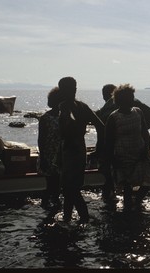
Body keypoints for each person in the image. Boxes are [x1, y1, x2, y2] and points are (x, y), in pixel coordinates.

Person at [96, 83, 150, 205]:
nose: (132, 100)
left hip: (140, 153)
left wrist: (146, 150)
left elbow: (145, 134)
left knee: (148, 182)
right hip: (122, 156)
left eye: (132, 97)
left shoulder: (138, 112)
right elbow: (108, 142)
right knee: (127, 188)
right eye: (129, 98)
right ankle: (129, 211)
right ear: (120, 100)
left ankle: (137, 202)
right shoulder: (113, 118)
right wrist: (112, 160)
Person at [58, 77, 104, 223]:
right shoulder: (82, 106)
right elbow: (100, 126)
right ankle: (67, 217)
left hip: (71, 150)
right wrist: (99, 147)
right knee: (71, 187)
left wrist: (99, 148)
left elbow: (68, 125)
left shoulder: (66, 107)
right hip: (78, 149)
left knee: (69, 188)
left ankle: (83, 218)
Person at [37, 87, 62, 209]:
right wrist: (42, 158)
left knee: (57, 184)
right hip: (49, 155)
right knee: (52, 183)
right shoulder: (45, 118)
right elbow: (41, 139)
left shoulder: (66, 116)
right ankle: (48, 204)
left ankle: (51, 205)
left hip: (61, 155)